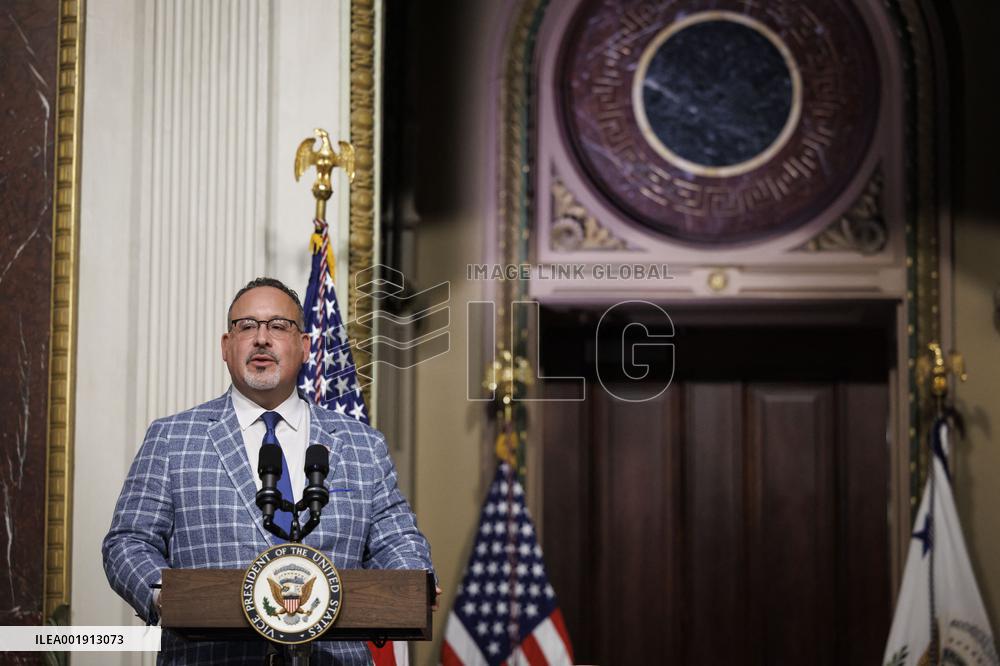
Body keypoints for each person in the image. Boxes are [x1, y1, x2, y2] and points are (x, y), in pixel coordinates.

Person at [103, 277, 435, 665]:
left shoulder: (362, 445)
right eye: (246, 326)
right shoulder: (172, 438)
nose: (262, 338)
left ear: (305, 346)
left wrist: (415, 579)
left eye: (279, 326)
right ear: (226, 348)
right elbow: (127, 542)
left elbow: (396, 541)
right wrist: (166, 594)